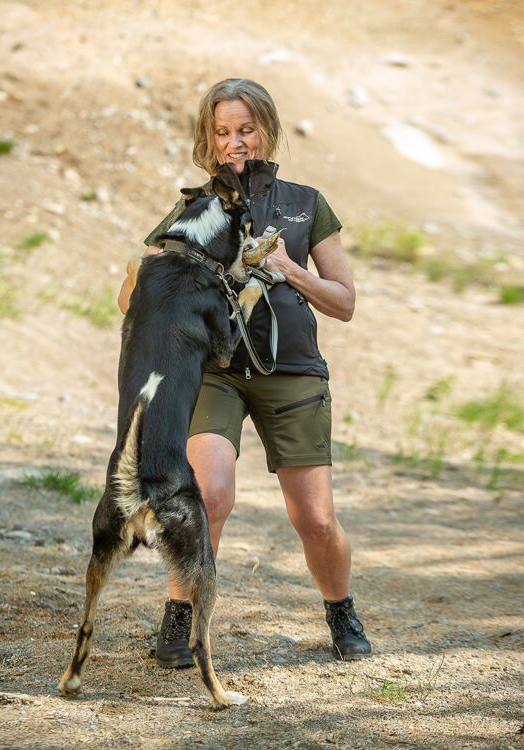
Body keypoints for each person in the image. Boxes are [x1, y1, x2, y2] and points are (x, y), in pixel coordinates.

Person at [118, 78, 371, 664]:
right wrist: (147, 272)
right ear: (209, 140)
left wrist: (290, 269)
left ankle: (341, 611)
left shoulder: (307, 203)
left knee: (315, 518)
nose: (235, 142)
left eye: (246, 129)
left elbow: (345, 302)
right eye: (223, 132)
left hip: (293, 371)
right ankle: (180, 621)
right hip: (217, 370)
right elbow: (130, 300)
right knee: (208, 495)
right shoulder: (191, 209)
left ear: (268, 129)